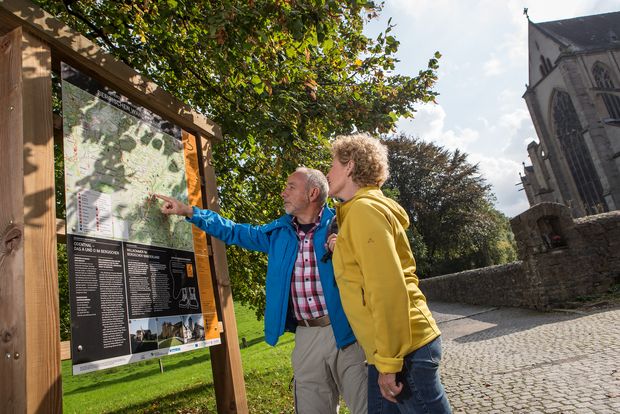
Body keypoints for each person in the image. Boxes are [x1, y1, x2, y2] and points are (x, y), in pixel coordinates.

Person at [154, 167, 367, 414]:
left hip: (347, 331)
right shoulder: (278, 234)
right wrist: (190, 212)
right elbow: (234, 231)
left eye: (291, 187)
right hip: (306, 335)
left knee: (367, 407)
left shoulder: (343, 224)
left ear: (313, 193)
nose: (282, 192)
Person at [326, 134, 452, 414]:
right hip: (388, 352)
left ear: (349, 166)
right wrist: (342, 249)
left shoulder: (363, 211)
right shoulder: (356, 212)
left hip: (404, 352)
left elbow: (386, 289)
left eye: (332, 164)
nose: (327, 172)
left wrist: (389, 364)